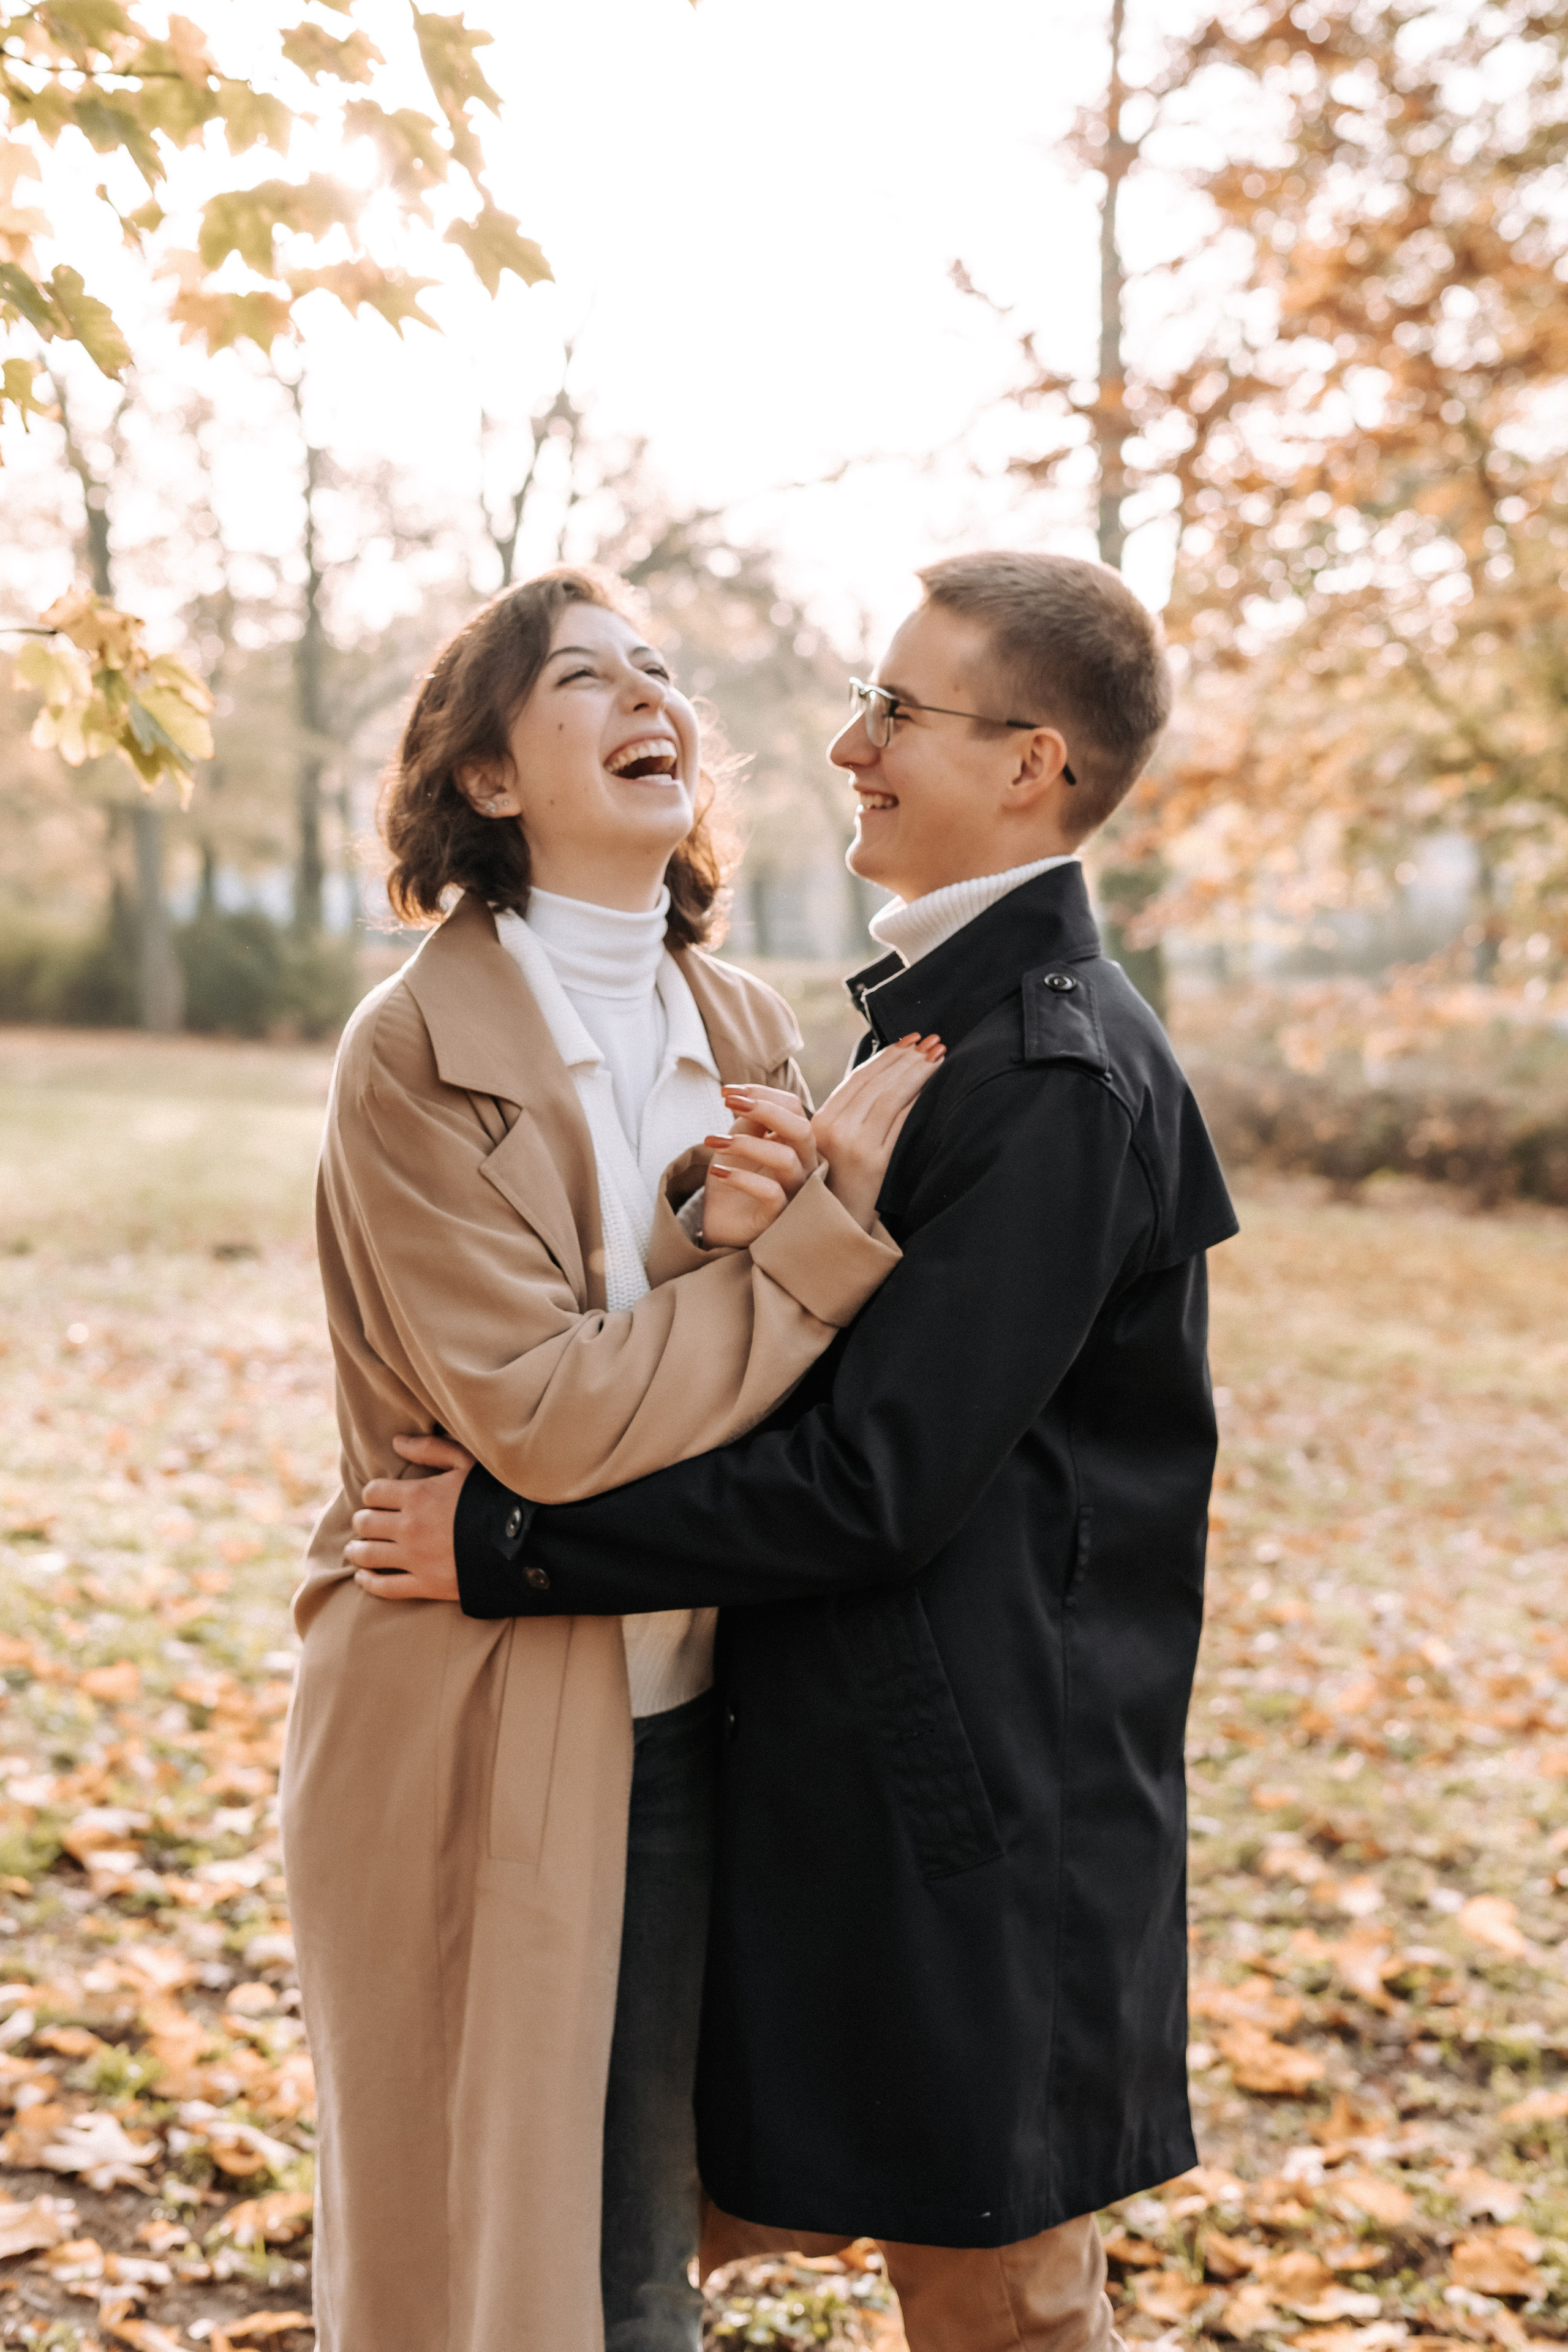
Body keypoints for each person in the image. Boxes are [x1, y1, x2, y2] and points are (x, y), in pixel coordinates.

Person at [350, 549, 1240, 2352]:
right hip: (818, 1755)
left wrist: (515, 1549)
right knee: (642, 2246)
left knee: (1005, 2298)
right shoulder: (918, 1031)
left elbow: (874, 1479)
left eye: (899, 712)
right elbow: (769, 1366)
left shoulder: (1047, 1071)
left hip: (992, 1796)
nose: (846, 743)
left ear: (1029, 766)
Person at [281, 564, 943, 2352]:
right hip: (462, 1708)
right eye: (585, 677)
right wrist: (803, 1253)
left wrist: (711, 1246)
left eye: (661, 669)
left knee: (639, 2265)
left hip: (703, 1713)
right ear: (491, 778)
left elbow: (781, 1410)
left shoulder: (750, 1034)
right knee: (462, 2262)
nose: (649, 694)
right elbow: (544, 1417)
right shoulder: (414, 1047)